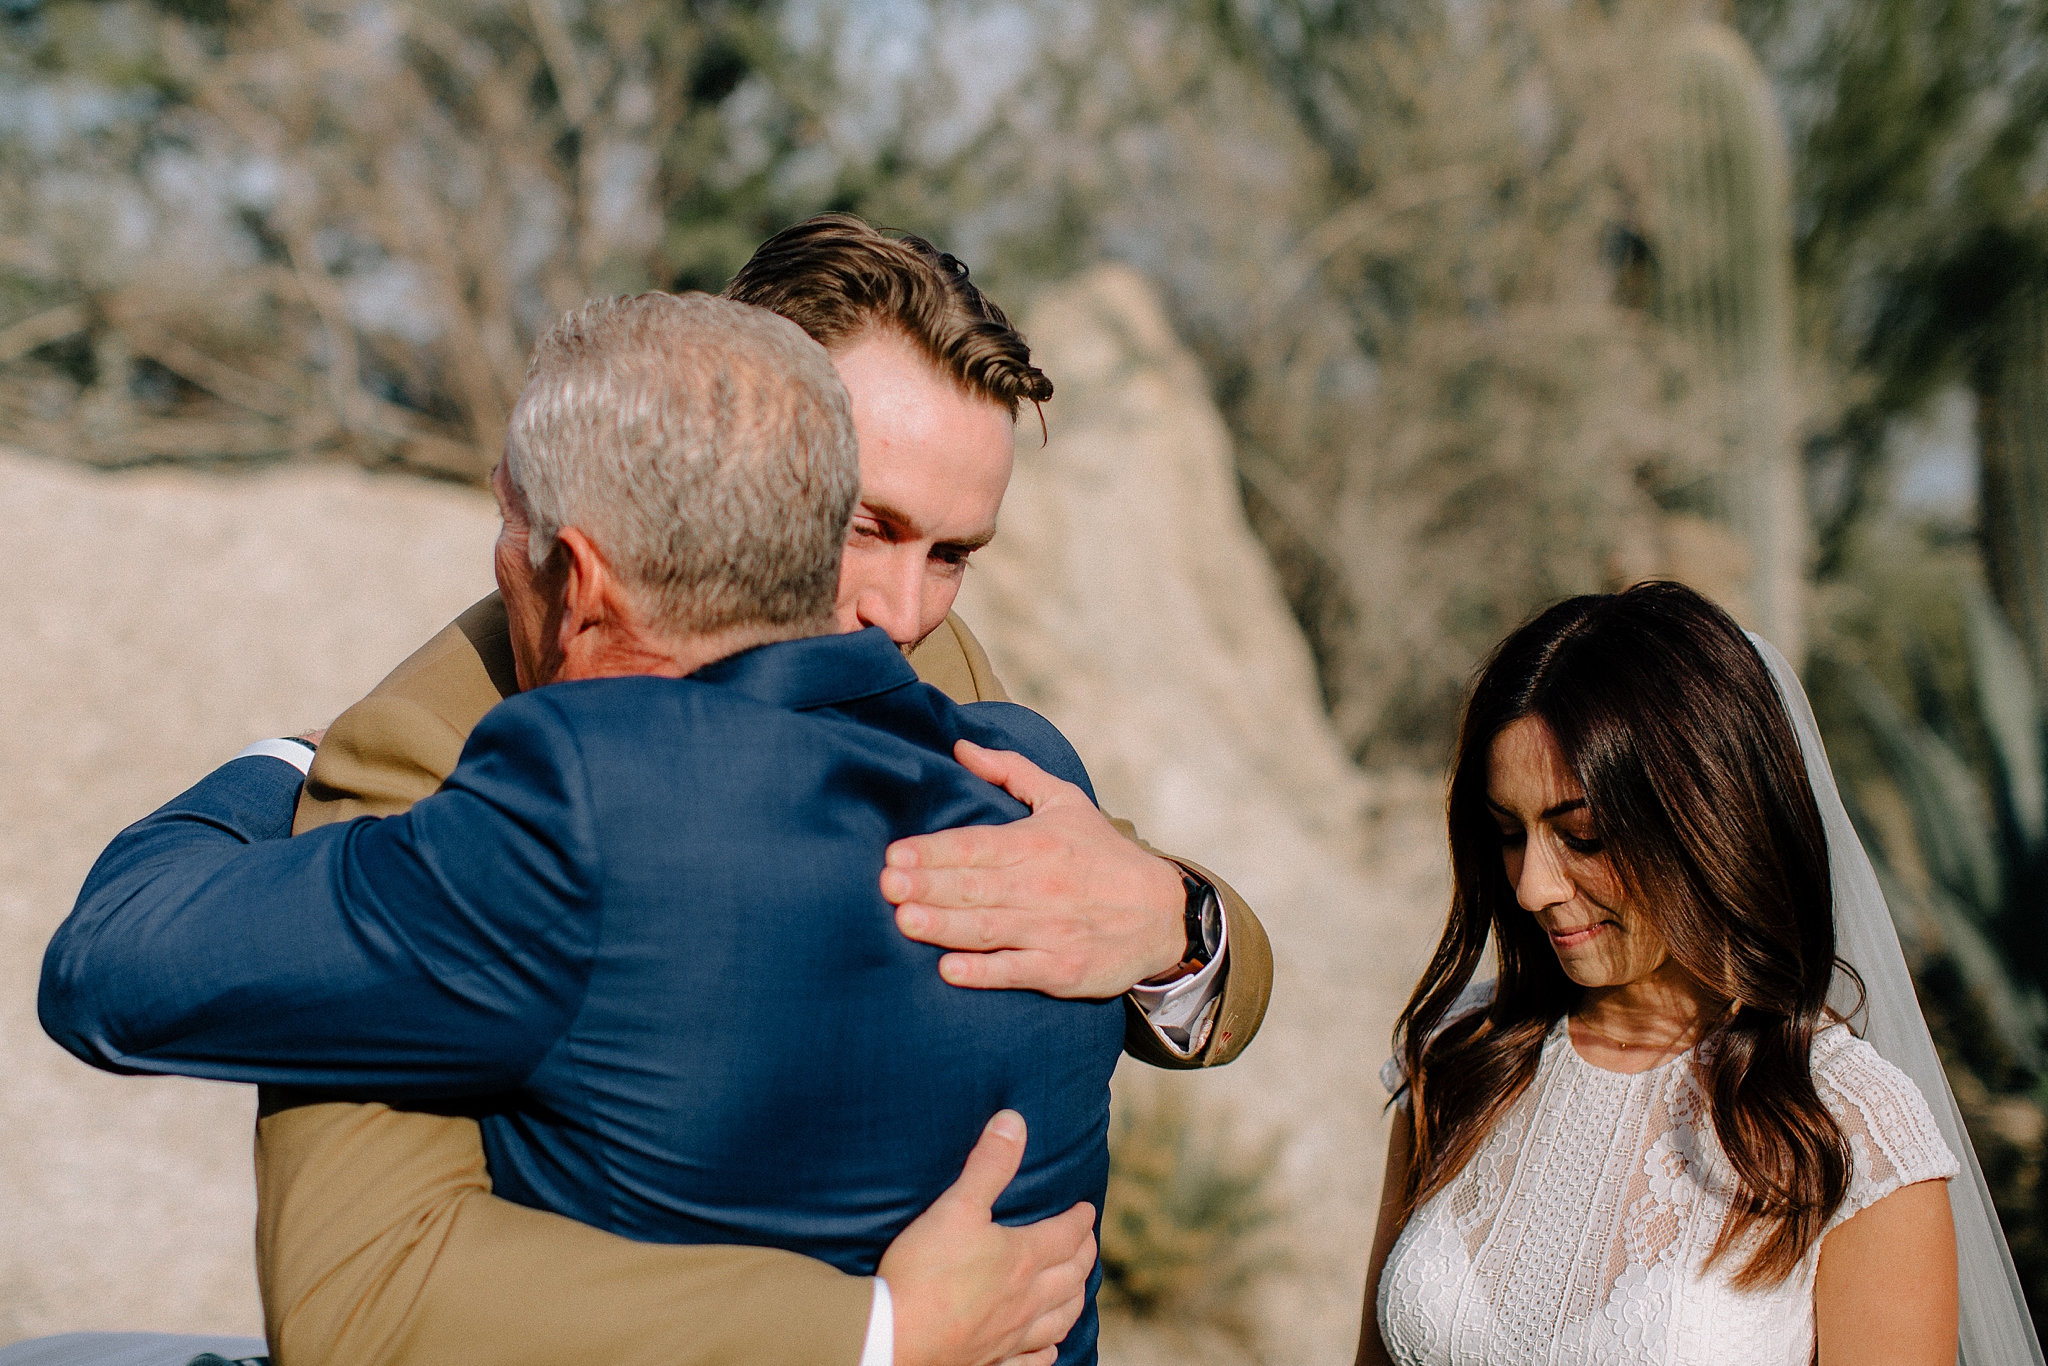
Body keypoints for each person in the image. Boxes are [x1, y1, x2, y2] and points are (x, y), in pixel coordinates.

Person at [247, 215, 1274, 1366]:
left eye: (951, 553)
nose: (903, 607)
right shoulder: (434, 753)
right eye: (864, 525)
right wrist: (880, 1334)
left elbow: (1202, 972)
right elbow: (358, 1298)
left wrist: (1170, 927)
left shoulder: (928, 662)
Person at [44, 292, 1118, 1366]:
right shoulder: (1036, 783)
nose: (501, 562)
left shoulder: (567, 815)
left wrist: (292, 763)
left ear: (583, 582)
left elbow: (111, 961)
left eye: (511, 528)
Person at [1356, 582, 1965, 1366]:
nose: (1532, 887)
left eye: (1583, 835)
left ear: (1707, 819)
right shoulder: (1462, 1058)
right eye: (1509, 833)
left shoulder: (1848, 1128)